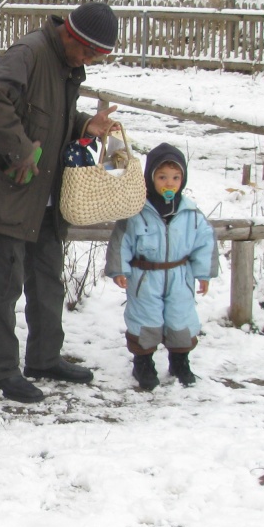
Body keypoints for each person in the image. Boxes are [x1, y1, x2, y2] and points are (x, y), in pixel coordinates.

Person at [0, 2, 120, 402]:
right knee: (4, 289)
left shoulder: (66, 65)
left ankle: (44, 357)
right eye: (88, 52)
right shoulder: (30, 52)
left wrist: (85, 124)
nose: (89, 60)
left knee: (48, 281)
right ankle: (1, 371)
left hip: (46, 197)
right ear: (70, 33)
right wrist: (20, 150)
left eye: (95, 57)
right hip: (8, 194)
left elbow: (47, 117)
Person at [105, 144, 217, 389]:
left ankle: (180, 361)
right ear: (151, 178)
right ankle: (143, 362)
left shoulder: (190, 213)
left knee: (181, 319)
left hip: (180, 276)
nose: (170, 183)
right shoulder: (137, 211)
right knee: (146, 319)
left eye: (176, 178)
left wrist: (203, 274)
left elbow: (204, 242)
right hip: (146, 276)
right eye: (162, 177)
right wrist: (119, 269)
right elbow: (121, 241)